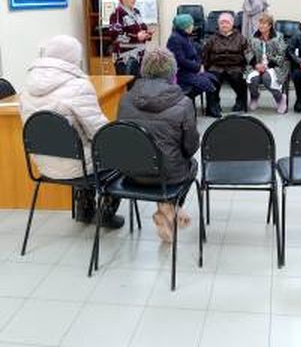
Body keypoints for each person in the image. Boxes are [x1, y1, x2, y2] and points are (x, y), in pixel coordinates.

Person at [20, 35, 124, 229]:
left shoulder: (26, 88)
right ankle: (106, 212)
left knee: (80, 150)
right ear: (74, 58)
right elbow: (100, 133)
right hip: (78, 167)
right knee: (118, 155)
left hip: (43, 164)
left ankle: (84, 208)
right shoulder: (78, 86)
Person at [117, 47, 199, 243]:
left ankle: (167, 209)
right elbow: (190, 147)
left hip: (131, 173)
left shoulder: (125, 98)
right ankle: (169, 208)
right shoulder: (184, 103)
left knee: (162, 162)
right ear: (173, 72)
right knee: (192, 165)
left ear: (144, 70)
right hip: (168, 177)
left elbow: (122, 135)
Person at [166, 14, 220, 117]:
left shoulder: (185, 36)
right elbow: (180, 60)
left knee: (213, 79)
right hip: (181, 73)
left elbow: (195, 54)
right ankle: (189, 106)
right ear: (184, 26)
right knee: (205, 82)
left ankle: (211, 108)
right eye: (191, 24)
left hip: (190, 70)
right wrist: (197, 67)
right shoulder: (175, 39)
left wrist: (199, 65)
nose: (192, 26)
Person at [203, 12, 248, 115]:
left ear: (232, 24)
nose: (224, 25)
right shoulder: (211, 39)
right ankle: (213, 105)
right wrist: (205, 69)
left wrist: (246, 68)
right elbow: (205, 56)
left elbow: (247, 55)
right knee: (211, 78)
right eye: (222, 23)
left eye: (227, 22)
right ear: (218, 25)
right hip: (216, 67)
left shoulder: (240, 38)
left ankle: (240, 102)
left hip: (235, 66)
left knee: (238, 77)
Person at [246, 13, 289, 114]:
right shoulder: (253, 37)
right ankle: (254, 97)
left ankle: (280, 99)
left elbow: (282, 55)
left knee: (266, 78)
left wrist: (268, 65)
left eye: (264, 23)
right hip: (256, 66)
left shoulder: (278, 37)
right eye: (260, 23)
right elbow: (248, 52)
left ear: (270, 25)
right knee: (253, 79)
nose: (261, 25)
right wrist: (256, 64)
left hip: (275, 66)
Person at [109, 0, 153, 77]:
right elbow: (116, 37)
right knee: (129, 84)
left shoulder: (136, 12)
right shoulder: (117, 13)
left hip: (140, 55)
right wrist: (136, 37)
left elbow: (141, 29)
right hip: (125, 58)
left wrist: (147, 34)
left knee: (140, 83)